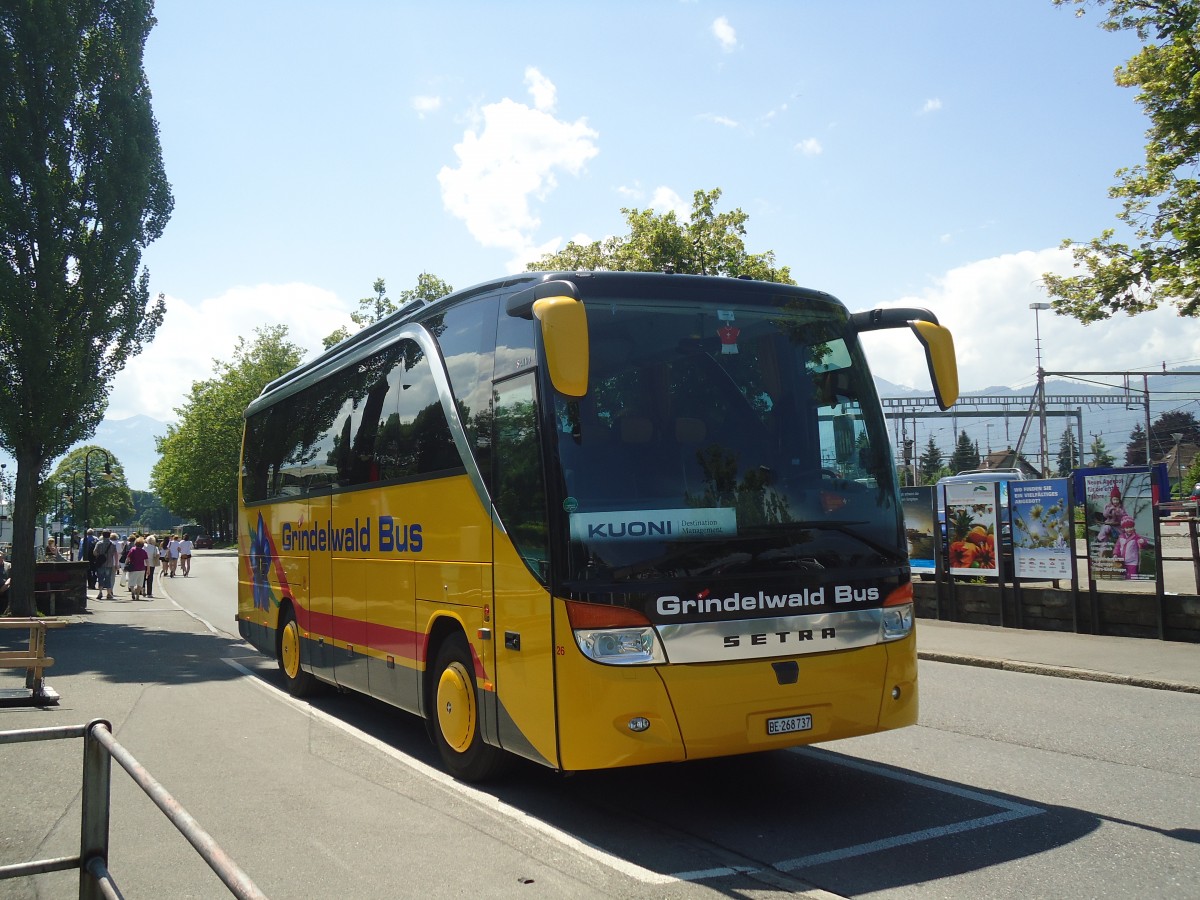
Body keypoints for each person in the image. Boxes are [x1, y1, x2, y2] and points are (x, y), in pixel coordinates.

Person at [93, 531, 118, 601]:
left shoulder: (99, 543)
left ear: (102, 535)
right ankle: (109, 593)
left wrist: (99, 556)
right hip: (109, 563)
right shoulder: (112, 544)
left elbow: (94, 552)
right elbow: (115, 554)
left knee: (100, 578)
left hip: (100, 564)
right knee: (108, 578)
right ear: (109, 536)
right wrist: (116, 564)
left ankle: (100, 592)